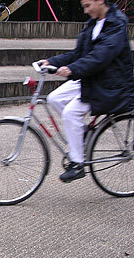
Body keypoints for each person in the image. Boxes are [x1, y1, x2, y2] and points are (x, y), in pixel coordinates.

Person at [39, 0, 134, 183]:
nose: (86, 10)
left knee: (70, 113)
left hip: (110, 84)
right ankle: (83, 134)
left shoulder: (116, 24)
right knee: (54, 98)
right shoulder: (93, 23)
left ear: (100, 1)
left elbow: (100, 56)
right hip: (93, 77)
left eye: (88, 5)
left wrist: (73, 69)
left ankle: (77, 163)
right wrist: (52, 62)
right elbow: (78, 54)